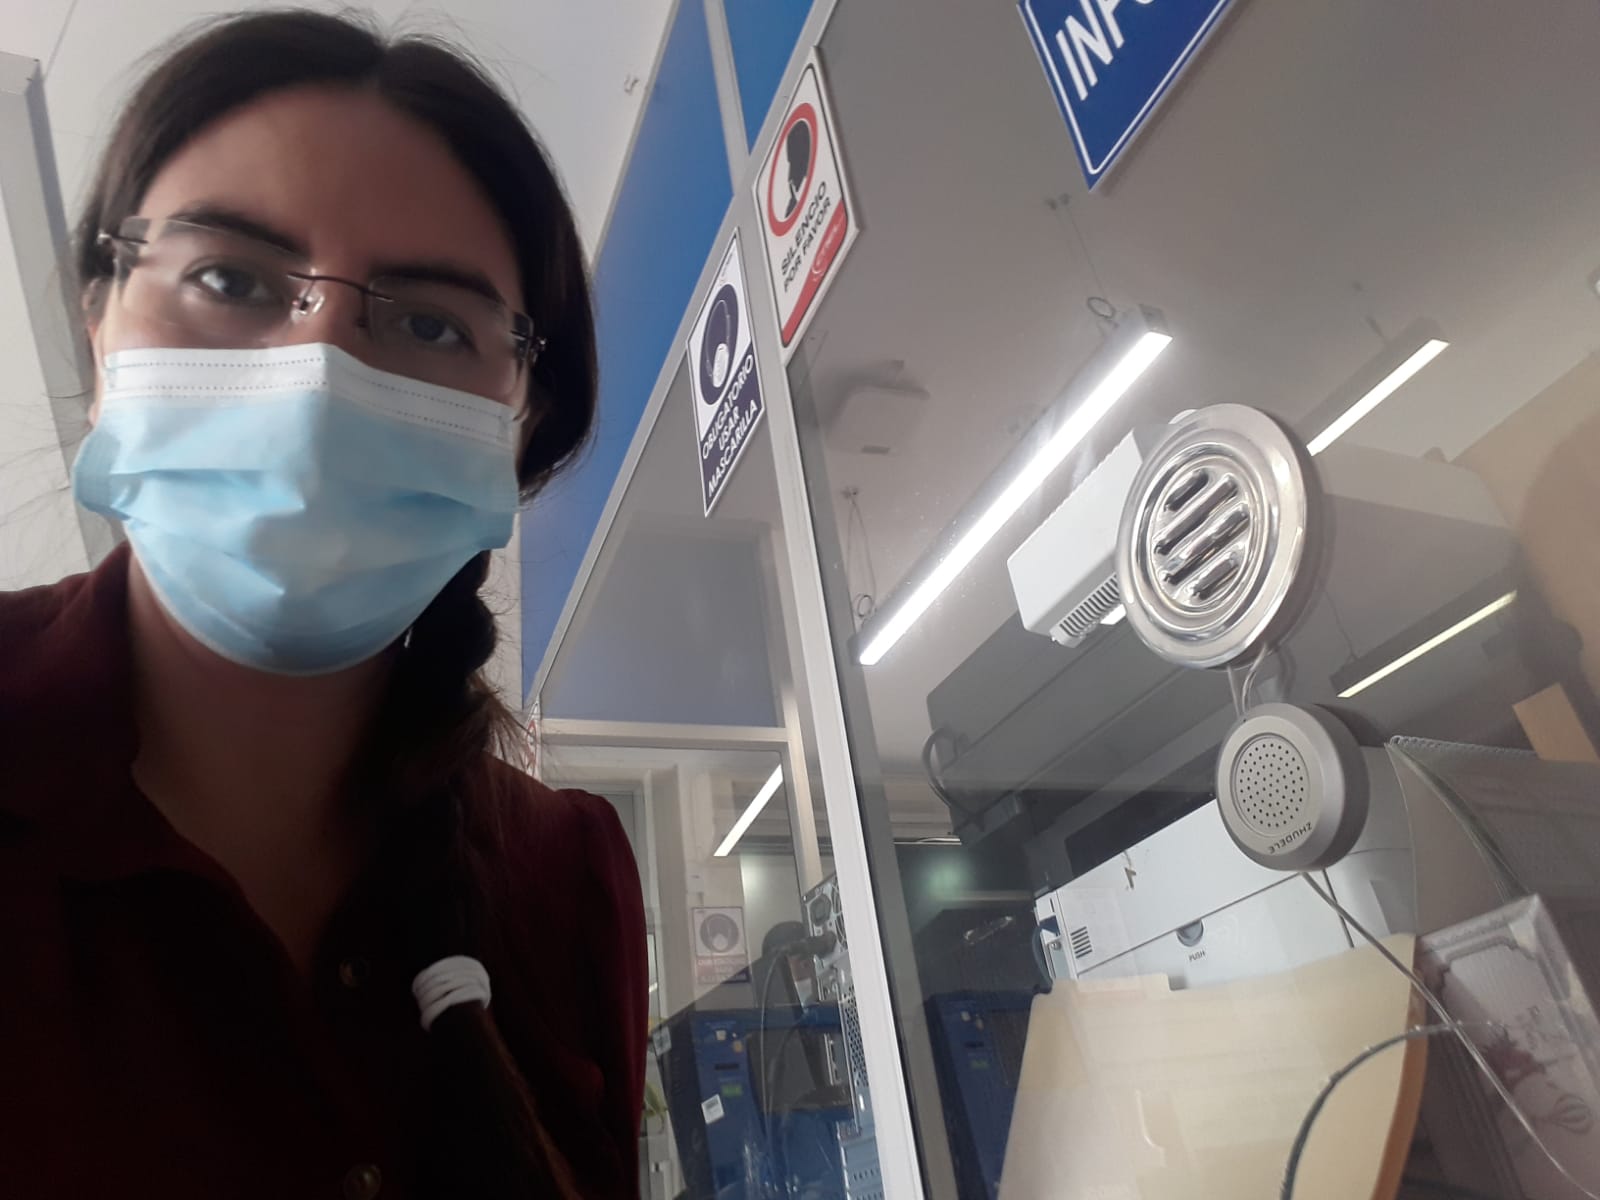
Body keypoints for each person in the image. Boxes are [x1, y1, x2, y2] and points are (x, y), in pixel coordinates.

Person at [0, 10, 645, 1199]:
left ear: (522, 430)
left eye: (429, 323)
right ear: (98, 334)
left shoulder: (561, 877)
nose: (316, 378)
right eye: (229, 278)